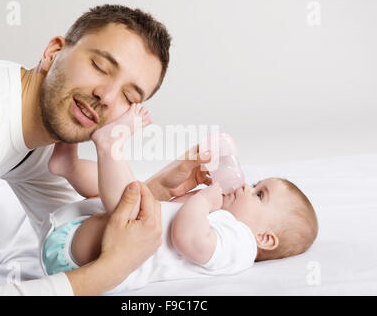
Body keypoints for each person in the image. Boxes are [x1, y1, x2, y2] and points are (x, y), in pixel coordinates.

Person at [0, 5, 212, 295]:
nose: (107, 96)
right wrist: (111, 271)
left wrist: (156, 191)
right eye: (100, 66)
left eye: (128, 97)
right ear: (52, 53)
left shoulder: (31, 126)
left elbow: (69, 234)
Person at [41, 103, 319, 294]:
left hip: (90, 259)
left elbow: (188, 239)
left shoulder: (241, 247)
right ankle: (69, 167)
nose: (247, 186)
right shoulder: (222, 223)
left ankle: (110, 144)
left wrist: (205, 201)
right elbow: (168, 212)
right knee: (132, 192)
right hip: (84, 238)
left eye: (260, 194)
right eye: (256, 184)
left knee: (133, 204)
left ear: (265, 238)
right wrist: (190, 196)